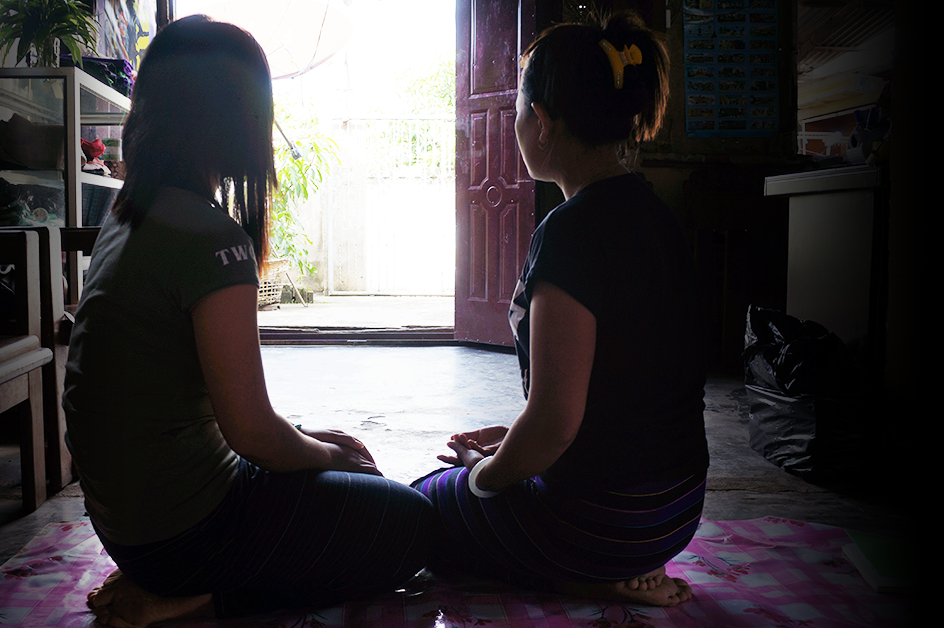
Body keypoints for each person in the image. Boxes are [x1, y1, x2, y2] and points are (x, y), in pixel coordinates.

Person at [63, 16, 433, 626]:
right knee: (412, 525)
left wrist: (310, 447)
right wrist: (324, 458)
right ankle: (201, 600)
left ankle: (187, 583)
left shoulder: (128, 215)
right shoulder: (211, 238)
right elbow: (253, 434)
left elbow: (226, 420)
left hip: (127, 531)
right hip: (184, 539)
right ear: (237, 120)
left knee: (323, 458)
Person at [412, 11, 709, 607]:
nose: (518, 122)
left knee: (421, 505)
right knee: (491, 475)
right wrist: (514, 445)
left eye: (520, 109)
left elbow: (553, 427)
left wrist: (482, 476)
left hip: (606, 524)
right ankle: (605, 570)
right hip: (676, 515)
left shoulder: (570, 232)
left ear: (542, 122)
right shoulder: (658, 216)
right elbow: (620, 397)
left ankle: (582, 577)